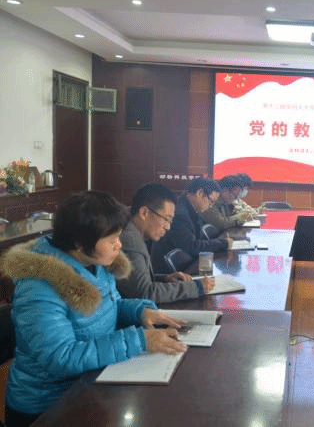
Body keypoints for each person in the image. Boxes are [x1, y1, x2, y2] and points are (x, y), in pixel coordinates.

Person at [0, 191, 186, 426]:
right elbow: (61, 358)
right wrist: (139, 340)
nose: (119, 245)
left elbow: (110, 305)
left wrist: (140, 311)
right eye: (112, 239)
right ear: (79, 243)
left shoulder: (94, 262)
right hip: (48, 407)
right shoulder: (39, 286)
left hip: (90, 384)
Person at [118, 183, 215, 303]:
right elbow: (145, 293)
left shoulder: (131, 227)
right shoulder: (129, 239)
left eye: (170, 221)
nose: (168, 227)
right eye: (166, 219)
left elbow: (134, 283)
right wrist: (196, 287)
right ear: (144, 213)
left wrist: (164, 278)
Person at [151, 178, 231, 274]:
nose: (211, 206)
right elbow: (192, 246)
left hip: (184, 265)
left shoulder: (189, 207)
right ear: (200, 193)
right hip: (171, 274)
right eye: (211, 201)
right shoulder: (180, 212)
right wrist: (223, 243)